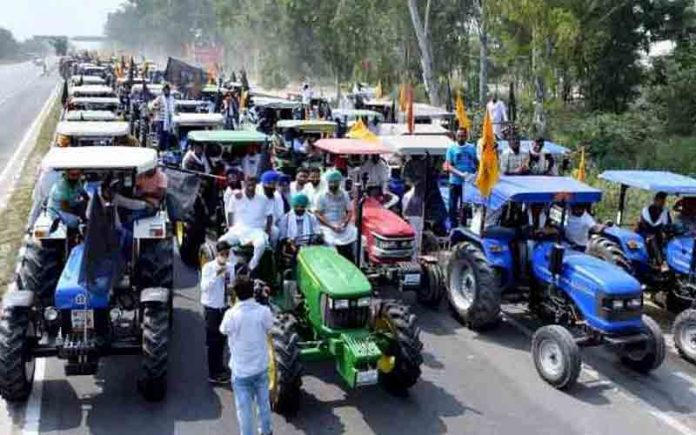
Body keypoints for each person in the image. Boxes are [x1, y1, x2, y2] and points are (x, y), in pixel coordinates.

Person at [219, 277, 274, 435]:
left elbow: (223, 330)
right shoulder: (263, 312)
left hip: (241, 372)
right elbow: (269, 327)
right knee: (264, 405)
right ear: (252, 292)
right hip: (260, 369)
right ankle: (266, 431)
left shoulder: (231, 315)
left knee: (244, 412)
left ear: (235, 293)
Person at [220, 175, 273, 272]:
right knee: (221, 242)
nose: (251, 183)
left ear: (256, 184)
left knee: (260, 244)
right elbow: (230, 213)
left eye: (253, 181)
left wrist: (268, 232)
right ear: (244, 183)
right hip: (238, 230)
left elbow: (269, 216)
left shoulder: (263, 199)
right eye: (248, 181)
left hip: (256, 231)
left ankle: (251, 266)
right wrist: (230, 228)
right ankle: (226, 266)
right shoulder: (236, 197)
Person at [201, 240, 235, 385]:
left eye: (227, 254)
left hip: (224, 307)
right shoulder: (208, 268)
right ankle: (213, 373)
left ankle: (220, 367)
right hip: (212, 308)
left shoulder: (230, 267)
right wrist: (216, 275)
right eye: (222, 254)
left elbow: (231, 285)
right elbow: (204, 287)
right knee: (213, 341)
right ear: (217, 254)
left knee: (222, 340)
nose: (225, 257)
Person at [315, 170, 357, 260]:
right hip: (327, 226)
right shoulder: (321, 195)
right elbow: (318, 214)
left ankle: (358, 262)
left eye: (336, 182)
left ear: (339, 183)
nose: (333, 185)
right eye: (331, 182)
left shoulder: (344, 194)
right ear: (328, 182)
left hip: (341, 224)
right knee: (329, 242)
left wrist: (344, 223)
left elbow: (349, 211)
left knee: (357, 235)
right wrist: (332, 226)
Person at [445, 129, 478, 227]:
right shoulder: (451, 148)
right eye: (459, 135)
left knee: (464, 206)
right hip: (454, 182)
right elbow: (448, 166)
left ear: (466, 136)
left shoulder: (472, 148)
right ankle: (453, 226)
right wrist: (460, 174)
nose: (460, 138)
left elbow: (476, 162)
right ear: (456, 136)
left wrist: (476, 173)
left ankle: (462, 226)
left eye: (463, 136)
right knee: (452, 206)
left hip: (467, 182)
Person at [257, 170, 285, 245]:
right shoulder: (256, 193)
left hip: (270, 225)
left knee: (276, 232)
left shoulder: (277, 196)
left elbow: (280, 215)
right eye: (272, 183)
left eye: (275, 183)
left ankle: (273, 252)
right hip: (255, 225)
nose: (274, 185)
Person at [152, 83, 175, 150]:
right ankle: (159, 150)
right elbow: (152, 106)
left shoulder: (172, 99)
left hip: (169, 120)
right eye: (165, 90)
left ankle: (166, 150)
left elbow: (173, 109)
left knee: (167, 136)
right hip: (160, 120)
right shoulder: (160, 98)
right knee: (160, 137)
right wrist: (156, 108)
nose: (166, 91)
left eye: (167, 90)